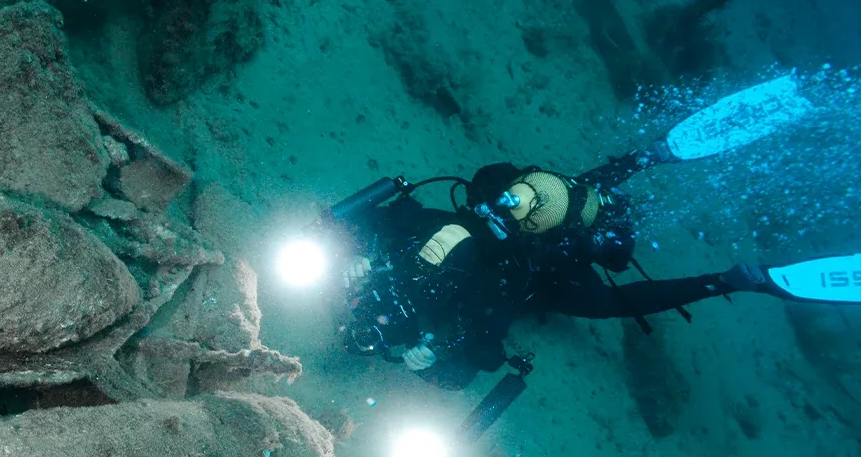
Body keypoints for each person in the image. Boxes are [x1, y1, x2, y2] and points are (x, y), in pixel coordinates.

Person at [331, 158, 775, 389]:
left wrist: (434, 360)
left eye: (507, 214)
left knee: (608, 304)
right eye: (500, 202)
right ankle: (641, 159)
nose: (492, 214)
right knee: (569, 191)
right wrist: (360, 251)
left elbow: (480, 352)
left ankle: (722, 281)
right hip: (540, 222)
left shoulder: (517, 274)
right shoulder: (496, 197)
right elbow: (384, 218)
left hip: (549, 276)